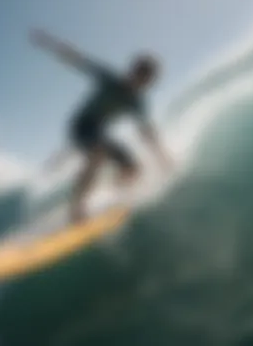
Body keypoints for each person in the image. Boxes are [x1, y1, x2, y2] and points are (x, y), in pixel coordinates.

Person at [30, 29, 173, 224]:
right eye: (143, 78)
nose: (144, 85)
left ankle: (113, 195)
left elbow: (146, 132)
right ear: (134, 71)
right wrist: (47, 41)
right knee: (99, 154)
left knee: (133, 170)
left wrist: (163, 159)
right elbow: (78, 59)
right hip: (81, 125)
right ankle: (76, 208)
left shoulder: (137, 101)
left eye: (148, 82)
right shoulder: (110, 78)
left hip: (100, 132)